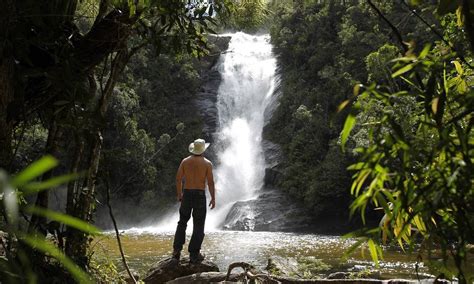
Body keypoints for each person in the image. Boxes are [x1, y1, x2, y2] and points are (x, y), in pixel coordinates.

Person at [172, 138, 216, 264]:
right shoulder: (207, 163)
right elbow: (211, 183)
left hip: (187, 193)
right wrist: (213, 198)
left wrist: (179, 194)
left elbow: (178, 179)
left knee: (182, 222)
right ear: (203, 150)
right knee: (199, 224)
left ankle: (176, 251)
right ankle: (194, 254)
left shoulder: (185, 161)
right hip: (200, 195)